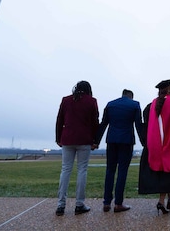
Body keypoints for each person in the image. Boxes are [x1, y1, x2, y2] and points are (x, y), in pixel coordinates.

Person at [138, 79, 170, 215]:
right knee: (168, 170)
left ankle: (169, 198)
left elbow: (146, 126)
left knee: (164, 171)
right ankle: (161, 201)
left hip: (155, 146)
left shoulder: (150, 107)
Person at [95, 89, 143, 213]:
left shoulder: (110, 104)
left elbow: (104, 123)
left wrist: (96, 141)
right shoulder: (135, 105)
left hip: (111, 140)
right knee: (122, 171)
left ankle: (106, 202)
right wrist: (144, 142)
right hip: (126, 141)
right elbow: (138, 125)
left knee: (110, 170)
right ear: (131, 96)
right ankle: (118, 203)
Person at [55, 80, 99, 216]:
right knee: (82, 170)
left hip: (67, 138)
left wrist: (58, 138)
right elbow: (95, 122)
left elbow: (59, 120)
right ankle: (79, 204)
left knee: (65, 170)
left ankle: (60, 204)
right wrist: (95, 141)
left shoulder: (66, 100)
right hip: (84, 140)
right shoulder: (91, 101)